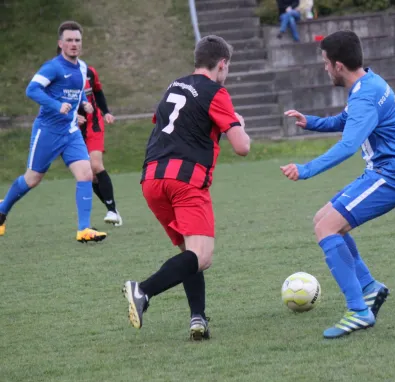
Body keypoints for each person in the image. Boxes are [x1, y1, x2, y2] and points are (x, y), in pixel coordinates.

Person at [280, 30, 395, 339]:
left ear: (339, 65)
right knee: (324, 220)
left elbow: (347, 145)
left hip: (393, 175)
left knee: (325, 228)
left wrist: (305, 170)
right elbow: (347, 119)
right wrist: (313, 122)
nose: (325, 68)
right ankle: (370, 288)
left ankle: (358, 311)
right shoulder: (369, 83)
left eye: (326, 63)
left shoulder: (366, 94)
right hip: (386, 171)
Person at [122, 35, 251, 340]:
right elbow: (242, 147)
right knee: (202, 256)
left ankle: (198, 318)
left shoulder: (174, 85)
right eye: (227, 67)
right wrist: (238, 123)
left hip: (152, 179)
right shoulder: (216, 92)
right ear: (222, 64)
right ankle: (143, 290)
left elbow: (166, 122)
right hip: (185, 180)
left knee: (189, 252)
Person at [0, 21, 107, 242]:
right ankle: (2, 210)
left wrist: (81, 106)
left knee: (86, 173)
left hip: (70, 131)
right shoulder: (53, 67)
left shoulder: (83, 67)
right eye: (69, 40)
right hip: (47, 131)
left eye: (77, 40)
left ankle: (84, 230)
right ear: (60, 43)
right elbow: (32, 90)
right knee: (32, 179)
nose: (74, 44)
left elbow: (74, 93)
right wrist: (56, 106)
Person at [75, 64, 121, 226]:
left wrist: (106, 111)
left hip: (93, 124)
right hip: (74, 130)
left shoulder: (89, 71)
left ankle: (112, 212)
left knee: (95, 165)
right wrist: (73, 116)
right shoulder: (57, 76)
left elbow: (98, 92)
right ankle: (112, 209)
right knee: (90, 174)